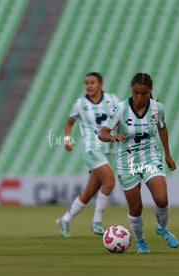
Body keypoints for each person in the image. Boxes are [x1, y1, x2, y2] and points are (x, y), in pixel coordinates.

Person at [98, 72, 179, 254]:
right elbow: (102, 133)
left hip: (150, 155)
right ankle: (141, 241)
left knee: (161, 199)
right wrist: (112, 137)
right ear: (131, 90)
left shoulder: (157, 108)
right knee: (136, 207)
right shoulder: (120, 109)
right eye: (136, 93)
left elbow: (162, 128)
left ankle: (162, 228)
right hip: (127, 160)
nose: (139, 97)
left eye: (143, 93)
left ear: (150, 91)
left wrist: (167, 154)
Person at [56, 72, 120, 237]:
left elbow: (123, 115)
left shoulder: (112, 99)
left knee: (89, 192)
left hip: (108, 152)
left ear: (100, 84)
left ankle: (65, 219)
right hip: (91, 150)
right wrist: (67, 139)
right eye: (86, 83)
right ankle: (97, 221)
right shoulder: (80, 104)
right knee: (110, 182)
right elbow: (69, 123)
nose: (89, 85)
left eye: (92, 82)